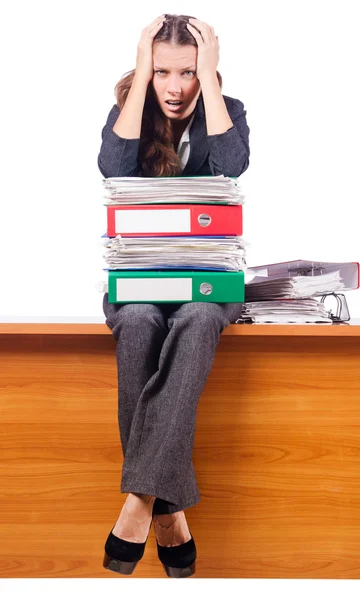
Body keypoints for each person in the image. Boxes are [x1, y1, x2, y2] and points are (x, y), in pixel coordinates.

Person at [98, 13, 250, 578]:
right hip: (138, 285)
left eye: (187, 72)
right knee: (136, 322)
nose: (175, 86)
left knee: (197, 317)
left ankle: (140, 501)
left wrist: (211, 82)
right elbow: (111, 168)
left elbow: (232, 167)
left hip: (208, 287)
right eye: (163, 71)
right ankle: (168, 511)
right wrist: (141, 75)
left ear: (204, 71)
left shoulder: (226, 113)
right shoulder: (130, 114)